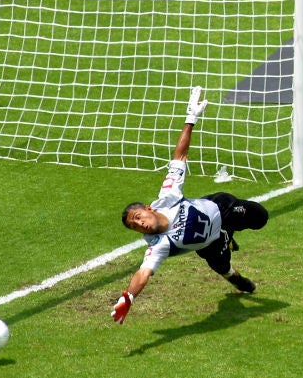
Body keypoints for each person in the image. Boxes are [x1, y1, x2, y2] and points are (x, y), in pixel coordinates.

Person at [111, 86, 269, 324]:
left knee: (261, 218)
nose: (140, 224)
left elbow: (180, 156)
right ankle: (234, 273)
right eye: (135, 226)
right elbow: (143, 273)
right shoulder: (158, 245)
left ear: (148, 209)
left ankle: (230, 232)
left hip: (221, 208)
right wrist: (129, 297)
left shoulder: (167, 197)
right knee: (223, 268)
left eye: (138, 216)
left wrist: (190, 118)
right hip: (210, 244)